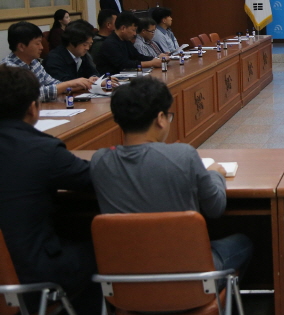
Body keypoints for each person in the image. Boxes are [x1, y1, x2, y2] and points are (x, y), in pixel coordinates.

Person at [90, 77, 252, 278]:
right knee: (243, 243)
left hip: (125, 277)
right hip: (189, 274)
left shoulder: (100, 161)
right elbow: (215, 208)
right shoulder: (183, 155)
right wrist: (215, 174)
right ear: (160, 118)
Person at [0, 65, 99, 314]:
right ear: (33, 108)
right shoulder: (41, 150)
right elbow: (95, 179)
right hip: (29, 275)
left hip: (7, 277)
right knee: (104, 248)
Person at [1, 21, 93, 101]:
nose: (41, 47)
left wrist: (83, 83)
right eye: (37, 43)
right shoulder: (8, 69)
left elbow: (53, 83)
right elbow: (31, 95)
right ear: (21, 46)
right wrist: (68, 84)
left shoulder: (34, 62)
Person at [95, 11, 165, 75]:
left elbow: (137, 56)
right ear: (123, 28)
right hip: (111, 79)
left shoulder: (126, 41)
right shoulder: (110, 44)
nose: (135, 34)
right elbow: (123, 65)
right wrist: (151, 63)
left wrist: (157, 59)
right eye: (133, 30)